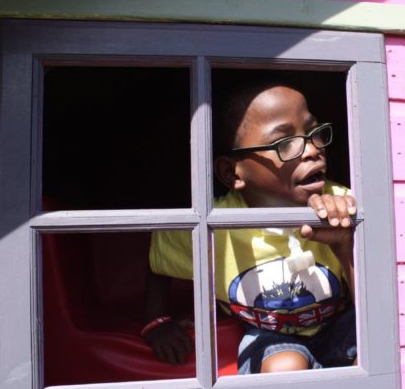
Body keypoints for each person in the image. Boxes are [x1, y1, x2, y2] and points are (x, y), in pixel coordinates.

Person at [143, 80, 357, 374]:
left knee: (376, 345)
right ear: (233, 173)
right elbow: (159, 261)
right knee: (285, 367)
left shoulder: (340, 203)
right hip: (269, 335)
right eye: (285, 143)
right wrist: (156, 321)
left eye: (314, 133)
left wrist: (345, 243)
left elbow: (375, 303)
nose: (311, 150)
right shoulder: (213, 223)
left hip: (340, 323)